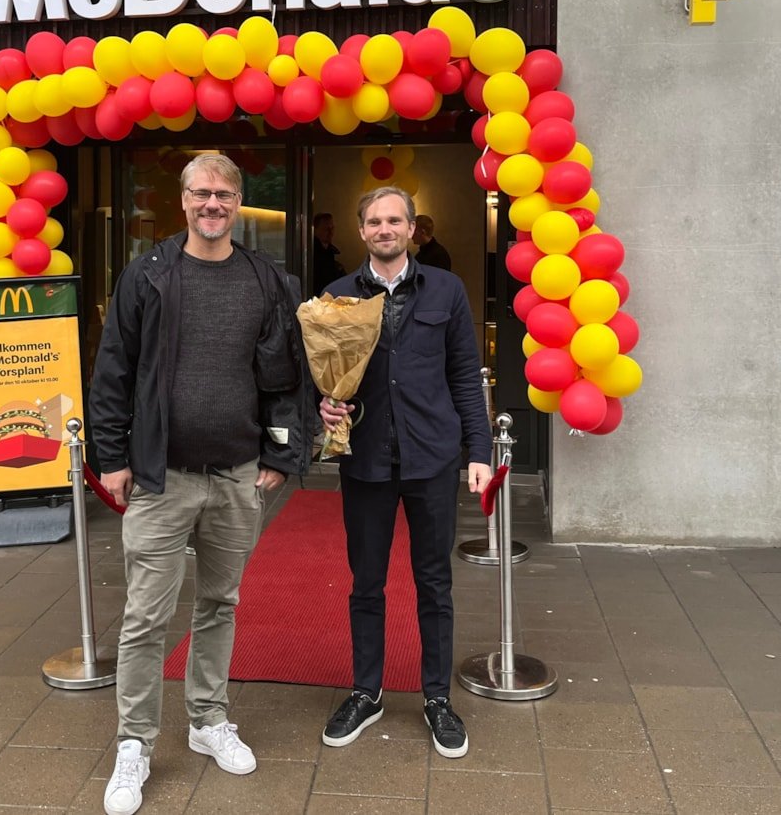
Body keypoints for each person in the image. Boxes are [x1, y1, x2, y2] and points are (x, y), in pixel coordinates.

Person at [89, 153, 313, 815]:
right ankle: (133, 740)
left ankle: (207, 717)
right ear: (182, 201)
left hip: (237, 473)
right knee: (145, 617)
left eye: (223, 194)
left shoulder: (264, 278)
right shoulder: (148, 274)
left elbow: (286, 376)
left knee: (220, 601)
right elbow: (113, 372)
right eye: (200, 193)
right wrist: (111, 456)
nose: (212, 204)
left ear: (238, 202)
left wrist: (282, 455)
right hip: (162, 476)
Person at [318, 186, 492, 758]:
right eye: (374, 221)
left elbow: (466, 375)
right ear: (361, 230)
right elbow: (319, 377)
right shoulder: (338, 297)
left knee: (434, 584)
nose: (385, 228)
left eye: (395, 220)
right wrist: (323, 405)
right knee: (366, 583)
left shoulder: (446, 289)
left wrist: (479, 451)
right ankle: (366, 692)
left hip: (433, 459)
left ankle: (437, 698)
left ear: (413, 228)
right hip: (366, 460)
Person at [312, 211, 346, 295]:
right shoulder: (312, 252)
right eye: (326, 229)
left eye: (332, 228)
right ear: (315, 230)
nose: (331, 232)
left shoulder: (330, 250)